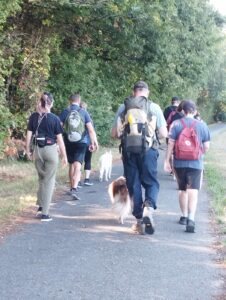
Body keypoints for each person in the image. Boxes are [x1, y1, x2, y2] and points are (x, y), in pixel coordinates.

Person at [111, 81, 167, 235]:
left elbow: (115, 134)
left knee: (133, 184)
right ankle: (148, 207)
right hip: (148, 151)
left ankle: (138, 221)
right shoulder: (154, 107)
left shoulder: (123, 107)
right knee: (151, 181)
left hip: (129, 152)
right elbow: (163, 133)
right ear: (146, 92)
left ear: (133, 91)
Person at [164, 100, 210, 233]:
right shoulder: (202, 125)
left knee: (182, 190)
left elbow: (171, 144)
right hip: (196, 163)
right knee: (193, 191)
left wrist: (167, 161)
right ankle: (191, 218)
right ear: (195, 111)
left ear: (183, 111)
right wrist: (199, 154)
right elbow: (206, 146)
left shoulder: (176, 124)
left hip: (179, 162)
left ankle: (183, 216)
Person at [26, 92, 68, 222]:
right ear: (51, 103)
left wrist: (28, 150)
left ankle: (40, 207)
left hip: (38, 150)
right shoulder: (55, 119)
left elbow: (29, 135)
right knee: (49, 181)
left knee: (41, 179)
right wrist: (64, 155)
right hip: (51, 151)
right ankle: (45, 213)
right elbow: (60, 140)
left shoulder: (33, 117)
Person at [59, 93, 98, 200]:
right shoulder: (84, 112)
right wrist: (94, 142)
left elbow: (58, 128)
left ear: (69, 101)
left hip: (68, 142)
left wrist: (58, 142)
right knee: (78, 166)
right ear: (79, 101)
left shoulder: (65, 112)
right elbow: (90, 129)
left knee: (71, 165)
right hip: (82, 142)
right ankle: (75, 188)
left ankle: (71, 187)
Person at [80, 101, 94, 186]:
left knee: (78, 161)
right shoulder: (89, 117)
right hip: (88, 142)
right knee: (88, 160)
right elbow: (91, 131)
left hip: (78, 142)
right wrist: (93, 143)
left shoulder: (74, 115)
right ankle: (87, 179)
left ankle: (77, 181)